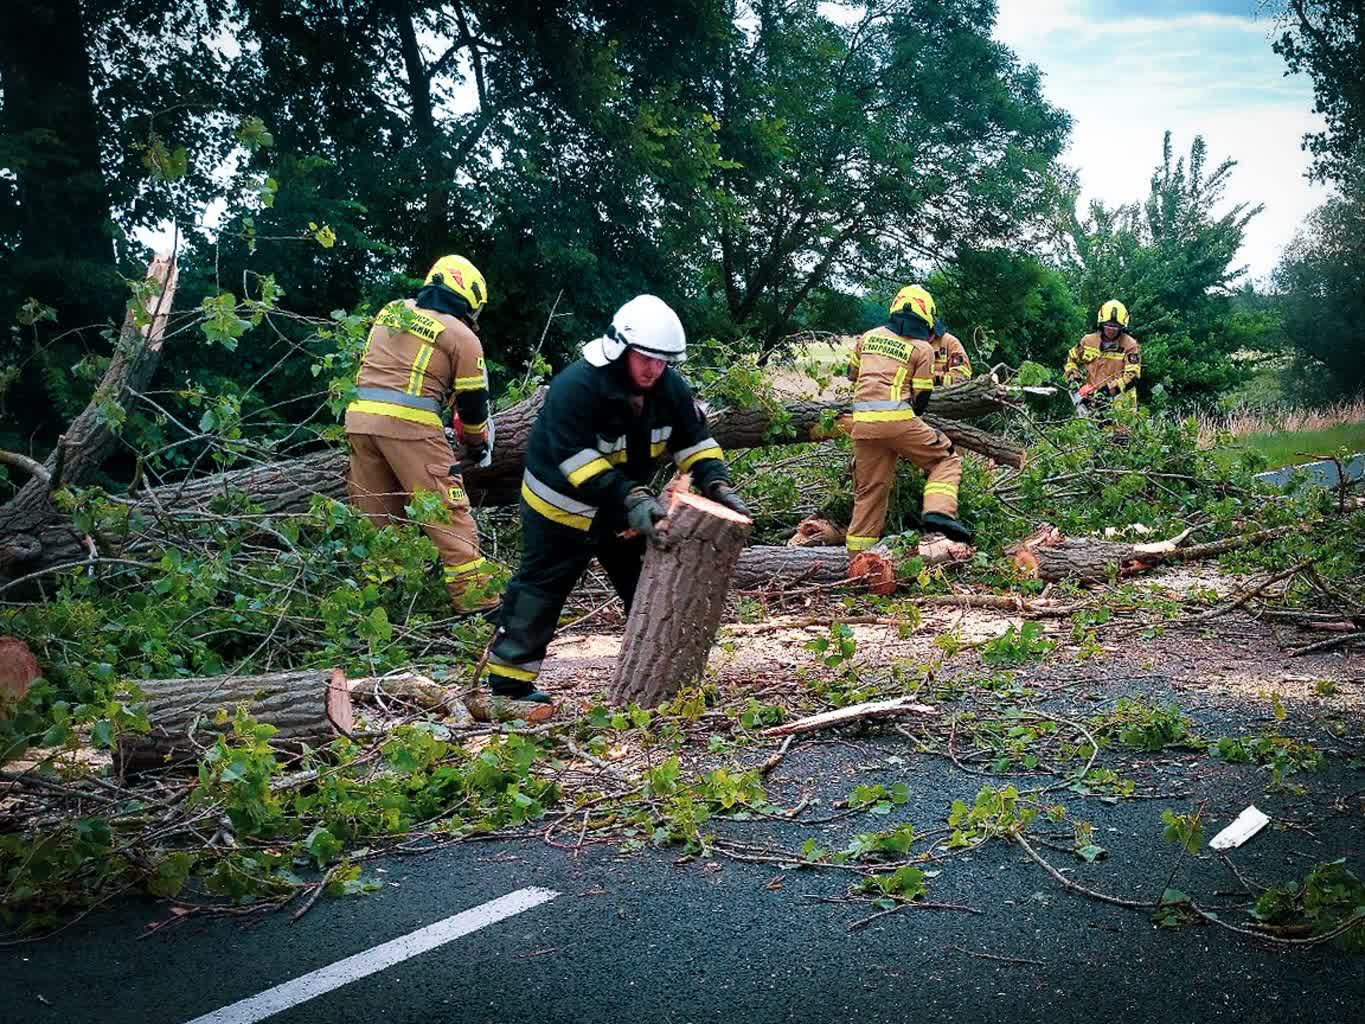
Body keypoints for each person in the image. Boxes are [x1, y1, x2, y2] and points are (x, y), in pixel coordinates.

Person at [484, 295, 748, 720]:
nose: (654, 369)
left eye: (662, 361)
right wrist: (633, 498)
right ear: (619, 348)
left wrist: (716, 482)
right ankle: (508, 688)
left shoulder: (670, 390)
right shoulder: (577, 388)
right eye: (646, 359)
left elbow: (694, 442)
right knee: (540, 592)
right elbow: (578, 463)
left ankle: (667, 685)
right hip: (559, 509)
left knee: (649, 587)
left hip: (624, 507)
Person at [344, 254, 499, 614]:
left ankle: (383, 610)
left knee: (379, 522)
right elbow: (473, 406)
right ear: (471, 298)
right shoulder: (462, 336)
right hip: (410, 428)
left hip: (359, 424)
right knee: (449, 517)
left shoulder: (392, 311)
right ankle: (480, 607)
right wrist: (476, 443)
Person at [845, 284, 973, 553]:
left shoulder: (867, 337)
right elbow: (922, 395)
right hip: (899, 420)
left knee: (869, 493)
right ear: (926, 317)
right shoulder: (922, 348)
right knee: (946, 458)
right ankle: (939, 512)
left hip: (862, 424)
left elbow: (852, 375)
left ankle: (859, 560)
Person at [1064, 300, 1142, 412]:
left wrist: (1106, 391)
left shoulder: (1130, 345)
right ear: (1101, 323)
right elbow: (1071, 359)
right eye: (1108, 325)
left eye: (1115, 326)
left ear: (1122, 327)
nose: (1111, 330)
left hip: (1121, 405)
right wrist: (1074, 378)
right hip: (1091, 402)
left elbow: (1132, 376)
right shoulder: (1088, 341)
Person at [929, 319, 972, 387]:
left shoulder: (950, 343)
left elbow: (961, 376)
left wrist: (934, 378)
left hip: (946, 392)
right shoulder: (912, 342)